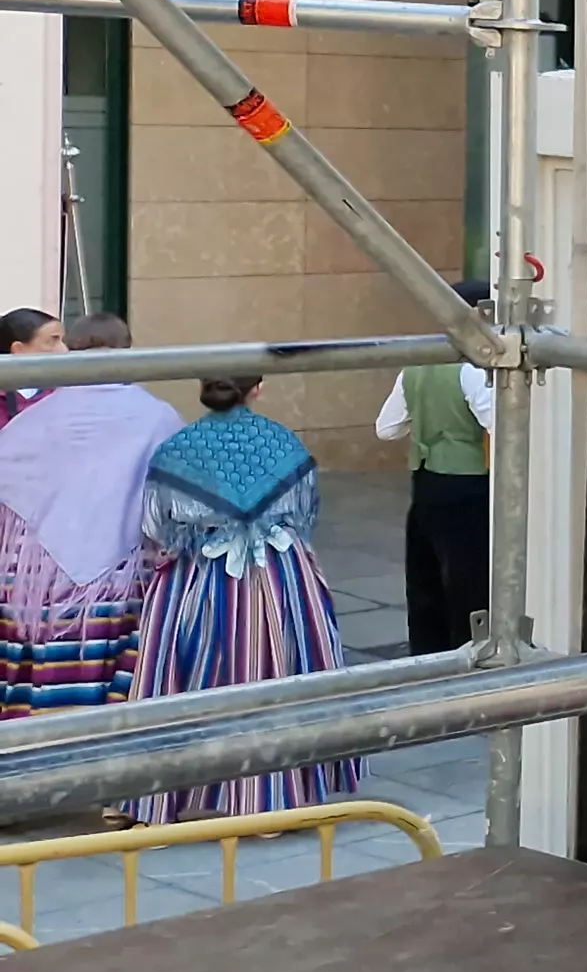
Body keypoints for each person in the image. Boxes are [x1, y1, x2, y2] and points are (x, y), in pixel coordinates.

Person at [124, 377, 360, 823]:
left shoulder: (177, 448)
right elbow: (306, 510)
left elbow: (156, 525)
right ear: (258, 388)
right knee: (279, 670)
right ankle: (270, 799)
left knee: (182, 675)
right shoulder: (283, 442)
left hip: (198, 570)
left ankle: (165, 795)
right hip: (278, 569)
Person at [0, 314, 183, 721]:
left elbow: (8, 469)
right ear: (126, 352)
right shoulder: (158, 416)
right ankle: (100, 733)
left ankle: (29, 731)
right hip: (121, 572)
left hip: (33, 574)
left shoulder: (40, 413)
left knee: (29, 641)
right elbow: (176, 493)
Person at [377, 281, 496, 655]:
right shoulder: (473, 371)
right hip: (469, 486)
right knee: (468, 582)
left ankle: (426, 658)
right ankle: (467, 657)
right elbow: (499, 426)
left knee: (424, 580)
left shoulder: (415, 365)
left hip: (425, 482)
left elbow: (386, 429)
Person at [0, 307, 60, 428]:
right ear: (19, 349)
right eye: (52, 341)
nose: (64, 350)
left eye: (63, 341)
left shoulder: (62, 391)